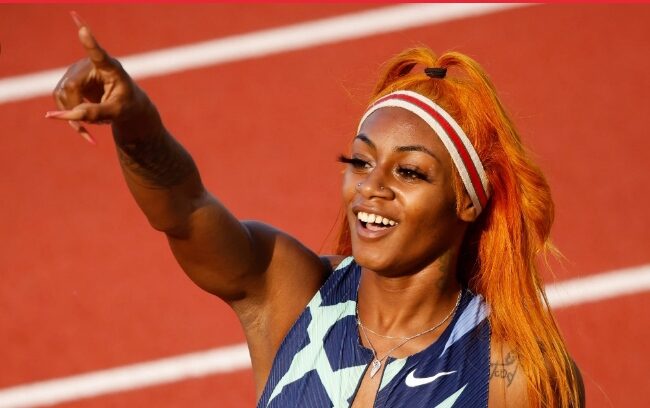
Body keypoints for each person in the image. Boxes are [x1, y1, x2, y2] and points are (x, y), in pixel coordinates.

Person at [48, 13, 585, 408]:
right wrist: (135, 123)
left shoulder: (512, 376)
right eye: (361, 162)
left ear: (467, 200)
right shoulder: (289, 293)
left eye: (409, 171)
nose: (371, 188)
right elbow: (185, 211)